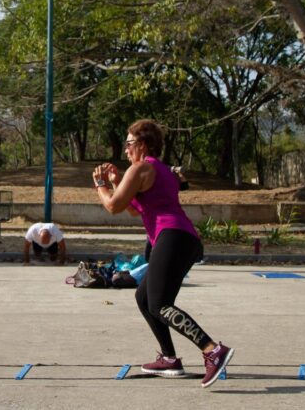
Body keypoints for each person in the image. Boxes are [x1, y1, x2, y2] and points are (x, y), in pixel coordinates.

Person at [93, 119, 233, 389]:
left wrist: (100, 183)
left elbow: (113, 206)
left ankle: (212, 349)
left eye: (129, 143)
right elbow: (135, 208)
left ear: (142, 144)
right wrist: (117, 181)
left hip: (172, 237)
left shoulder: (140, 168)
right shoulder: (161, 170)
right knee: (144, 297)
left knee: (159, 304)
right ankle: (169, 358)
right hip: (182, 238)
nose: (125, 150)